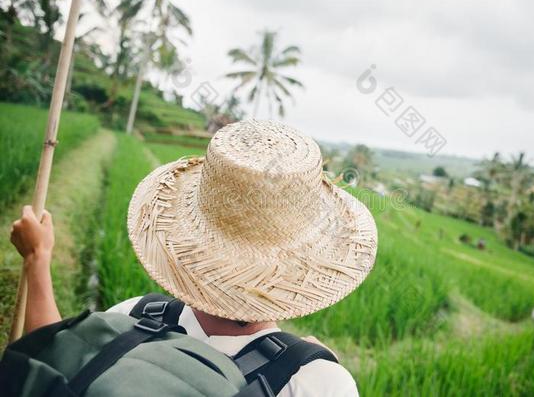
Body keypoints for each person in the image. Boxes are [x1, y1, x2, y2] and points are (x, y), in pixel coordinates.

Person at [10, 120, 378, 397]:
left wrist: (37, 260)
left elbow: (51, 361)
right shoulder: (314, 382)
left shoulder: (137, 316)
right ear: (302, 266)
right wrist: (307, 365)